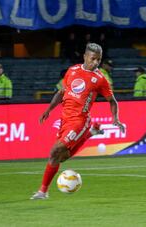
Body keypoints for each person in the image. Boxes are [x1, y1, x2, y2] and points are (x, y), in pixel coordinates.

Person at [30, 43, 125, 200]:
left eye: (99, 60)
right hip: (65, 118)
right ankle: (90, 134)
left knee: (54, 151)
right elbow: (61, 92)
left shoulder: (100, 79)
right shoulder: (72, 70)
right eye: (93, 59)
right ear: (85, 56)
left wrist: (116, 118)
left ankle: (42, 192)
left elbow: (112, 100)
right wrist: (48, 110)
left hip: (80, 120)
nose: (96, 63)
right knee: (60, 157)